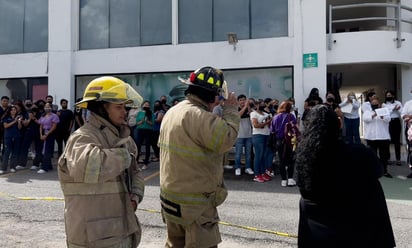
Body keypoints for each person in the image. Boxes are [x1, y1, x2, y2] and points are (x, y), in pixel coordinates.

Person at [57, 76, 145, 247]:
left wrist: (135, 197)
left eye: (125, 107)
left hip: (121, 229)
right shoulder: (83, 137)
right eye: (118, 107)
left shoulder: (124, 138)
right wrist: (123, 155)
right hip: (93, 237)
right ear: (101, 108)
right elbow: (89, 168)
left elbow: (135, 172)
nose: (124, 111)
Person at [158, 66, 239, 247]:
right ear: (210, 95)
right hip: (195, 208)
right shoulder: (199, 116)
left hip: (171, 202)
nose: (218, 101)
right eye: (218, 96)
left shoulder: (173, 112)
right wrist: (232, 110)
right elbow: (226, 138)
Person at [295, 105, 396, 248]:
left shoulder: (304, 158)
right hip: (358, 226)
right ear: (339, 124)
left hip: (318, 230)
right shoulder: (359, 153)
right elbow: (377, 170)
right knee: (373, 186)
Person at [271, 101, 298, 187]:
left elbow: (272, 129)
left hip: (279, 140)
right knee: (290, 159)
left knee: (281, 160)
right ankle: (290, 179)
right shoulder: (291, 116)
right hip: (289, 140)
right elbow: (295, 128)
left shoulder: (275, 117)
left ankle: (283, 180)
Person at [363, 97, 392, 178]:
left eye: (376, 104)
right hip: (371, 137)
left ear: (379, 104)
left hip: (383, 137)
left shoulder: (385, 111)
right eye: (373, 104)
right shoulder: (367, 112)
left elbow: (388, 119)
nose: (375, 105)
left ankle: (384, 171)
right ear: (371, 105)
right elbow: (366, 119)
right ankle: (373, 171)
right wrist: (374, 114)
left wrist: (381, 115)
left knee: (384, 155)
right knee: (372, 155)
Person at [250, 100, 273, 182]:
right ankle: (256, 175)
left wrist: (270, 119)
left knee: (264, 155)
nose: (263, 105)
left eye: (264, 103)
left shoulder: (266, 114)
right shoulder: (253, 114)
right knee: (258, 155)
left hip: (266, 135)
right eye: (261, 104)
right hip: (258, 136)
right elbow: (255, 125)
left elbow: (270, 125)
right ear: (257, 105)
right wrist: (266, 123)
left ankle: (263, 173)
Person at [234, 94, 254, 176]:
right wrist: (245, 107)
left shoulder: (249, 109)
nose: (242, 102)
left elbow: (252, 115)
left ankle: (247, 167)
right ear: (238, 101)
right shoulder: (236, 109)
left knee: (248, 153)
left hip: (249, 135)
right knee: (238, 153)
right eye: (241, 100)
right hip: (239, 135)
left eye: (244, 100)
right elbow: (238, 116)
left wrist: (248, 106)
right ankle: (237, 167)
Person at [37, 102, 60, 173]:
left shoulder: (54, 116)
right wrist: (41, 134)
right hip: (43, 132)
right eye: (46, 107)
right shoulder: (43, 115)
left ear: (51, 107)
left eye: (48, 106)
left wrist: (47, 134)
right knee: (43, 149)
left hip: (50, 133)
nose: (47, 108)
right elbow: (41, 125)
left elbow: (54, 126)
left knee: (47, 150)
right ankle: (49, 166)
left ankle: (44, 168)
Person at [382, 90, 403, 165]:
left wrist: (398, 109)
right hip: (388, 122)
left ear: (393, 96)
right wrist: (393, 109)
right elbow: (385, 113)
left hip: (396, 121)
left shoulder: (398, 103)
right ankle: (388, 158)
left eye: (389, 95)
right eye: (387, 95)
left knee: (397, 141)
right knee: (387, 140)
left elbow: (402, 112)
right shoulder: (384, 104)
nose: (388, 97)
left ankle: (398, 159)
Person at [0, 105, 22, 174]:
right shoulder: (6, 118)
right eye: (12, 110)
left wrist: (19, 122)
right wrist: (14, 121)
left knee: (14, 153)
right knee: (7, 152)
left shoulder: (18, 117)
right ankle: (3, 168)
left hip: (16, 137)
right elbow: (6, 126)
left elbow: (19, 128)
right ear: (9, 111)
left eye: (14, 110)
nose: (13, 111)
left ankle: (13, 167)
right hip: (8, 137)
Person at [135, 100, 153, 169]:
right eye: (145, 104)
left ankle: (146, 163)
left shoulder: (151, 113)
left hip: (148, 130)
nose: (146, 106)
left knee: (147, 146)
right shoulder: (139, 113)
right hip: (140, 130)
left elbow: (152, 124)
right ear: (143, 105)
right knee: (138, 145)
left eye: (148, 105)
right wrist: (142, 121)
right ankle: (136, 162)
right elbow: (137, 123)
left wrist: (147, 121)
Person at [401, 87, 412, 178]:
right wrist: (406, 116)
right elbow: (403, 114)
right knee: (411, 149)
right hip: (409, 130)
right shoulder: (408, 103)